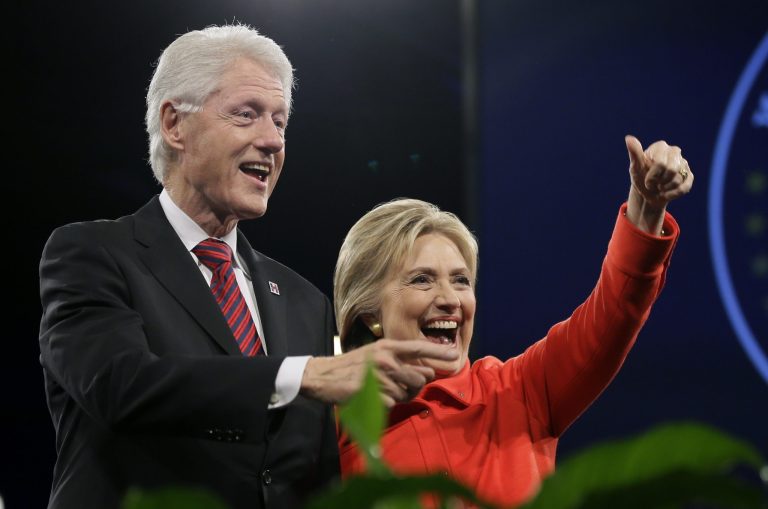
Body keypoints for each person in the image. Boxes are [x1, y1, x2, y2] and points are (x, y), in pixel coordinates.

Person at [38, 24, 458, 509]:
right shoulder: (92, 254)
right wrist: (300, 376)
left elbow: (315, 476)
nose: (273, 141)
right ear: (175, 124)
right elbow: (121, 386)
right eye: (247, 114)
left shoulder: (304, 302)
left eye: (280, 122)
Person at [334, 136, 693, 507]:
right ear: (369, 314)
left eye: (461, 280)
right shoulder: (332, 428)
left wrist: (647, 209)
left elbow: (614, 311)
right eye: (422, 279)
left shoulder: (520, 391)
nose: (450, 299)